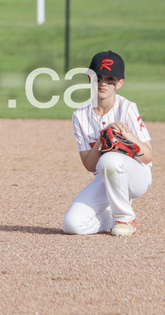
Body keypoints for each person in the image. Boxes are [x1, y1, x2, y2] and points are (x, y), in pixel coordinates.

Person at [62, 51, 153, 237]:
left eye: (110, 79)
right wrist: (103, 138)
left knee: (110, 160)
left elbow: (148, 155)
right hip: (104, 177)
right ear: (89, 78)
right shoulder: (80, 115)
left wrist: (128, 136)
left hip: (137, 176)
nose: (103, 83)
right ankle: (111, 217)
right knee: (72, 225)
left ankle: (126, 218)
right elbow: (89, 165)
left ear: (120, 83)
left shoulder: (126, 107)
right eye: (98, 77)